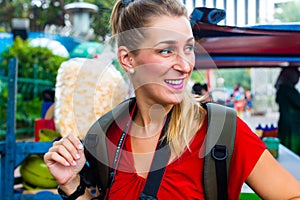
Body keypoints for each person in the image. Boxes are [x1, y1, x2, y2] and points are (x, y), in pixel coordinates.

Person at [44, 0, 300, 199]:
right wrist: (72, 184)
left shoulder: (221, 131)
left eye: (188, 48)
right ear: (127, 60)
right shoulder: (105, 136)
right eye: (166, 51)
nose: (185, 65)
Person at [275, 67, 300, 156]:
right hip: (293, 126)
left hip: (285, 123)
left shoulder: (281, 89)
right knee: (293, 151)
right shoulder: (288, 90)